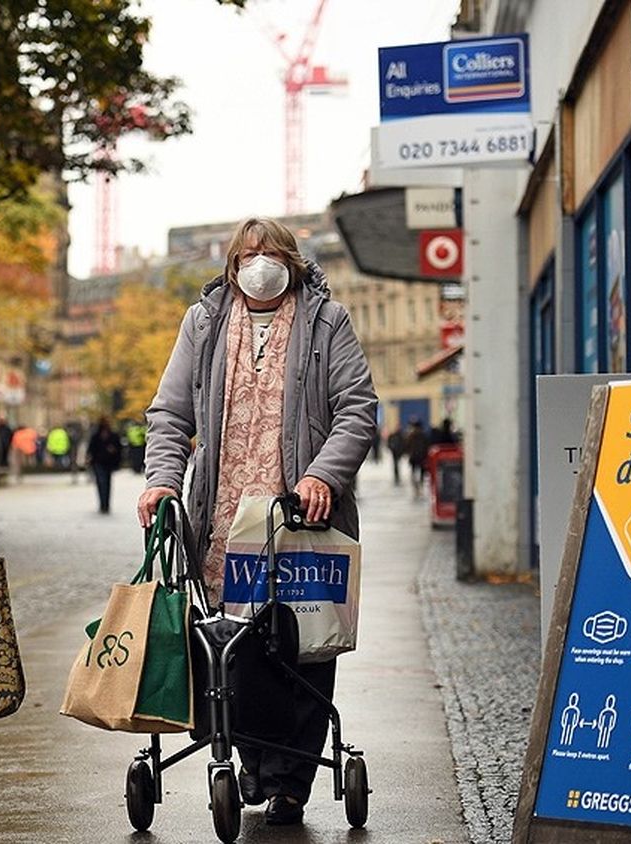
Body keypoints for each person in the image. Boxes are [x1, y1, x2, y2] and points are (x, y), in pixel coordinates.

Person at [138, 217, 377, 828]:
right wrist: (162, 480)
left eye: (271, 252)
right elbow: (169, 413)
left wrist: (323, 475)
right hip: (224, 519)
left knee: (303, 645)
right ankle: (252, 760)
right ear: (232, 264)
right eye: (248, 253)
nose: (259, 262)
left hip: (302, 518)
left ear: (292, 261)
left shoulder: (327, 320)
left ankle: (291, 779)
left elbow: (357, 409)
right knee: (235, 647)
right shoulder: (206, 322)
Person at [86, 417, 123, 514]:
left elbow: (118, 448)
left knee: (106, 483)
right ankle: (103, 504)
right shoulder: (97, 436)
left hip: (107, 463)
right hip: (99, 462)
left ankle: (105, 504)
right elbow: (91, 448)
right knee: (102, 483)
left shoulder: (111, 435)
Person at [404, 419, 429, 496]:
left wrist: (408, 452)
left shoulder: (411, 435)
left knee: (414, 472)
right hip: (421, 457)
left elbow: (407, 446)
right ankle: (419, 486)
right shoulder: (423, 435)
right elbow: (427, 446)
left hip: (414, 457)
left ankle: (416, 487)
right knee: (421, 472)